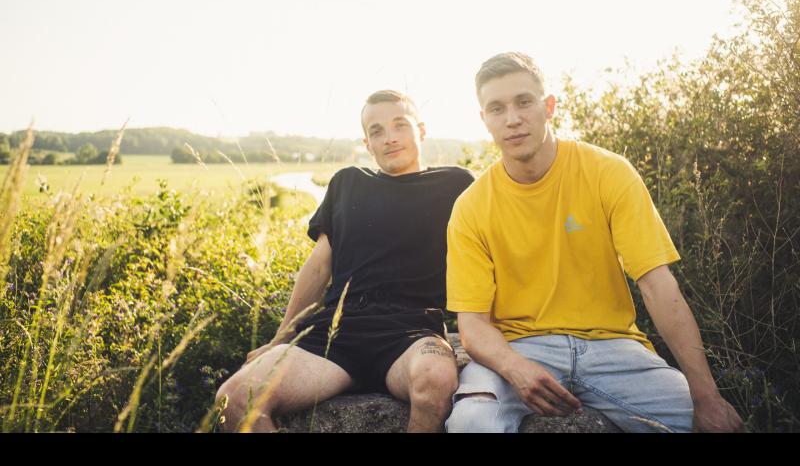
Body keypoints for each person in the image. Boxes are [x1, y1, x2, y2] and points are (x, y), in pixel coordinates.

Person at [444, 52, 744, 433]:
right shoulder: (471, 207)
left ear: (548, 106)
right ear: (484, 119)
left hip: (613, 349)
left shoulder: (608, 172)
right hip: (519, 347)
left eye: (524, 102)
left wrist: (706, 396)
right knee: (470, 421)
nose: (512, 118)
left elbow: (658, 286)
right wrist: (515, 368)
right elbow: (472, 325)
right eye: (497, 108)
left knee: (710, 423)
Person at [216, 90, 474, 432]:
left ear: (421, 130)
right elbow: (318, 267)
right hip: (334, 334)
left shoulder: (455, 184)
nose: (389, 137)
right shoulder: (348, 182)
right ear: (367, 143)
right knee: (234, 399)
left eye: (400, 125)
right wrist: (281, 338)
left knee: (437, 379)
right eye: (377, 131)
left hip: (411, 331)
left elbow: (486, 256)